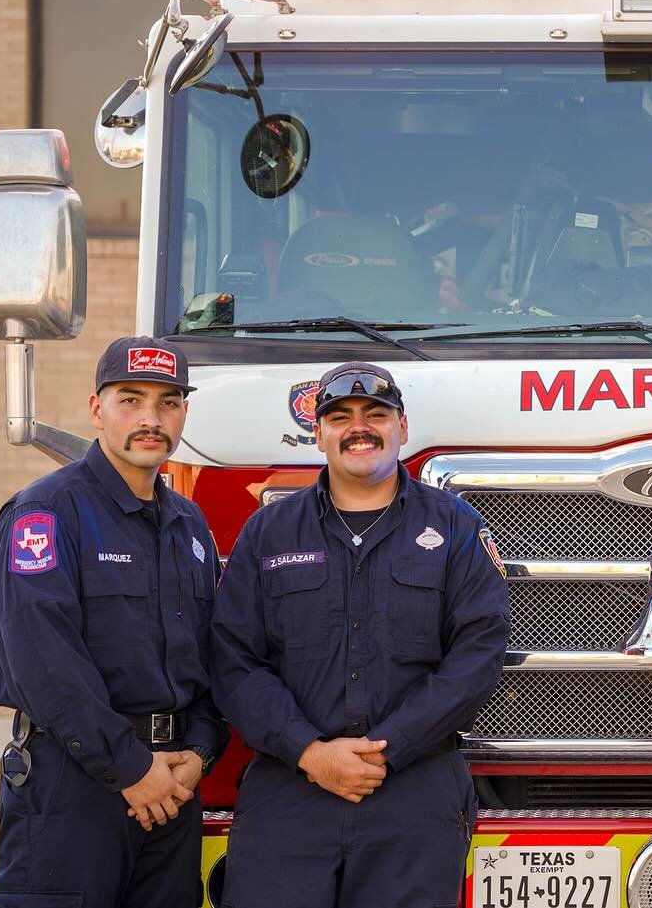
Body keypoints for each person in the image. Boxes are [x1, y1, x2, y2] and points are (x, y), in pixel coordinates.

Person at [211, 361, 510, 908]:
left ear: (402, 426)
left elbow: (477, 655)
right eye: (341, 416)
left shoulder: (455, 528)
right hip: (290, 790)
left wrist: (385, 751)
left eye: (376, 413)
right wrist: (310, 752)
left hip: (413, 793)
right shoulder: (269, 531)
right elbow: (233, 660)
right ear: (318, 432)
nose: (359, 427)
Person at [0, 336, 225, 908]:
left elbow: (213, 652)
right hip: (73, 783)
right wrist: (130, 768)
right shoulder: (44, 514)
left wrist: (200, 752)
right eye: (130, 400)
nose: (150, 419)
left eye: (168, 403)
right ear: (96, 409)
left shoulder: (190, 525)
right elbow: (43, 661)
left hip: (172, 784)